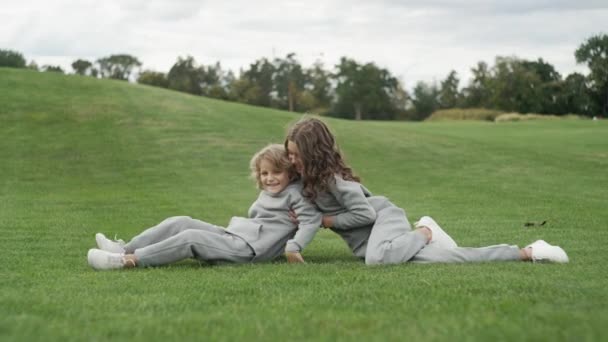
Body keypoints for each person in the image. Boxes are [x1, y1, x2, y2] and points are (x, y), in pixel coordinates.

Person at [284, 117, 569, 265]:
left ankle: (426, 232)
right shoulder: (307, 180)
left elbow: (365, 213)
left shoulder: (335, 180)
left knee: (377, 260)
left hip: (384, 220)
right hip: (379, 242)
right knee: (447, 259)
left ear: (314, 153)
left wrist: (327, 221)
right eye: (290, 155)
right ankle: (527, 252)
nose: (293, 161)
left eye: (296, 155)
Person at [87, 144, 321, 270]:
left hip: (249, 250)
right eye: (264, 173)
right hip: (235, 236)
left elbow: (311, 220)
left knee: (191, 237)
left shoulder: (297, 194)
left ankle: (127, 261)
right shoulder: (270, 192)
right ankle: (122, 248)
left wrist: (293, 247)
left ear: (290, 173)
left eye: (277, 172)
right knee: (181, 221)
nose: (269, 178)